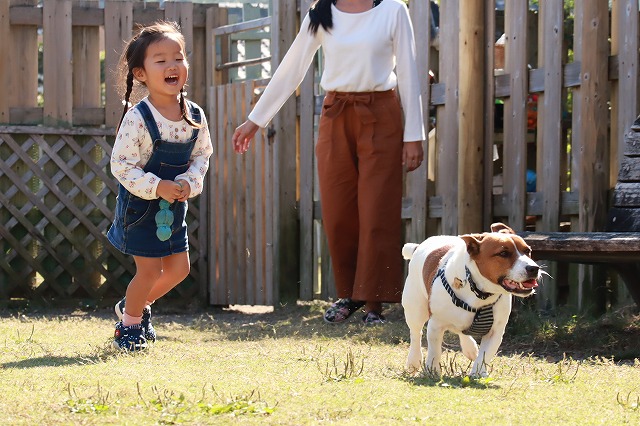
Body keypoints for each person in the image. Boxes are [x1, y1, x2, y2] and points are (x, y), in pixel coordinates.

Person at [232, 0, 425, 325]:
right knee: (338, 209)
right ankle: (350, 294)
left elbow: (408, 72)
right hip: (336, 114)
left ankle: (374, 304)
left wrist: (413, 135)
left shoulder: (393, 10)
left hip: (381, 115)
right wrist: (255, 120)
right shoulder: (320, 12)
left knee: (377, 209)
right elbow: (292, 68)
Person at [106, 21, 213, 350]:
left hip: (174, 208)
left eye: (178, 58)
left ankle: (134, 306)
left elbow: (202, 155)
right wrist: (156, 186)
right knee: (149, 271)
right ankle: (130, 327)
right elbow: (121, 165)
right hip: (140, 208)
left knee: (180, 269)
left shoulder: (194, 115)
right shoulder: (138, 118)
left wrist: (189, 182)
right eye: (161, 60)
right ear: (141, 73)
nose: (172, 65)